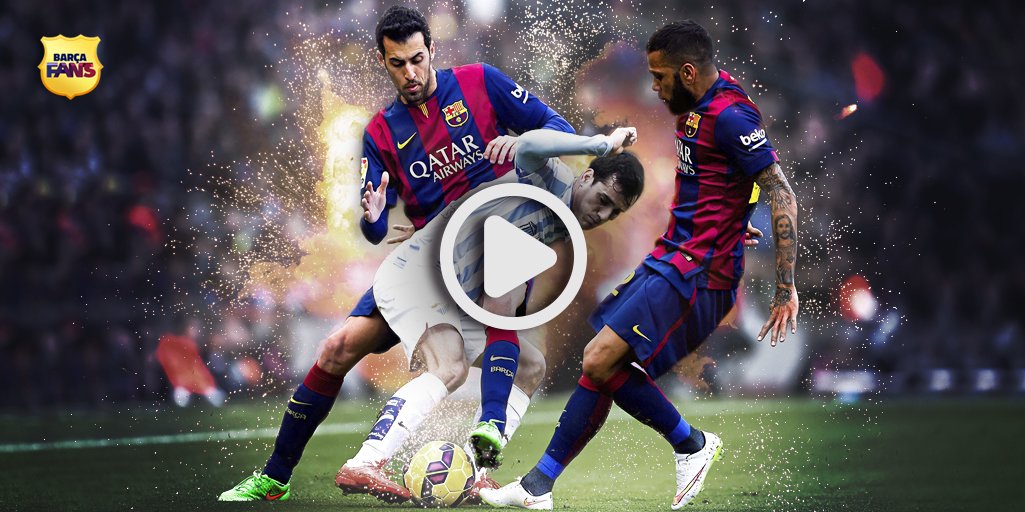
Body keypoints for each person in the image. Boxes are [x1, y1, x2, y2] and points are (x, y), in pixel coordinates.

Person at [218, 5, 573, 502]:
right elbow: (377, 230)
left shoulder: (480, 83)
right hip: (429, 270)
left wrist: (521, 145)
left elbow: (557, 128)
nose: (410, 73)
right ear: (382, 62)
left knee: (523, 363)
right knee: (336, 349)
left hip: (495, 247)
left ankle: (470, 464)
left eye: (417, 59)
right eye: (398, 63)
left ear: (431, 50)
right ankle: (275, 478)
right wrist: (373, 215)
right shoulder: (381, 133)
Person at [480, 20, 800, 510]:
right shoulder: (702, 103)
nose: (655, 87)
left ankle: (691, 444)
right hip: (673, 255)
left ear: (688, 72)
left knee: (598, 359)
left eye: (660, 76)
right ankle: (537, 487)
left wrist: (784, 285)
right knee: (602, 363)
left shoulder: (731, 117)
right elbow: (730, 179)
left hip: (695, 271)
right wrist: (733, 221)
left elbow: (780, 191)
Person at [352, 126, 642, 480]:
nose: (603, 215)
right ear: (586, 177)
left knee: (530, 366)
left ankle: (472, 472)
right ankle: (366, 462)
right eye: (603, 200)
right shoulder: (551, 178)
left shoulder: (564, 223)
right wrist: (602, 144)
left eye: (614, 212)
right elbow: (530, 144)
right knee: (450, 368)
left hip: (454, 293)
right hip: (420, 275)